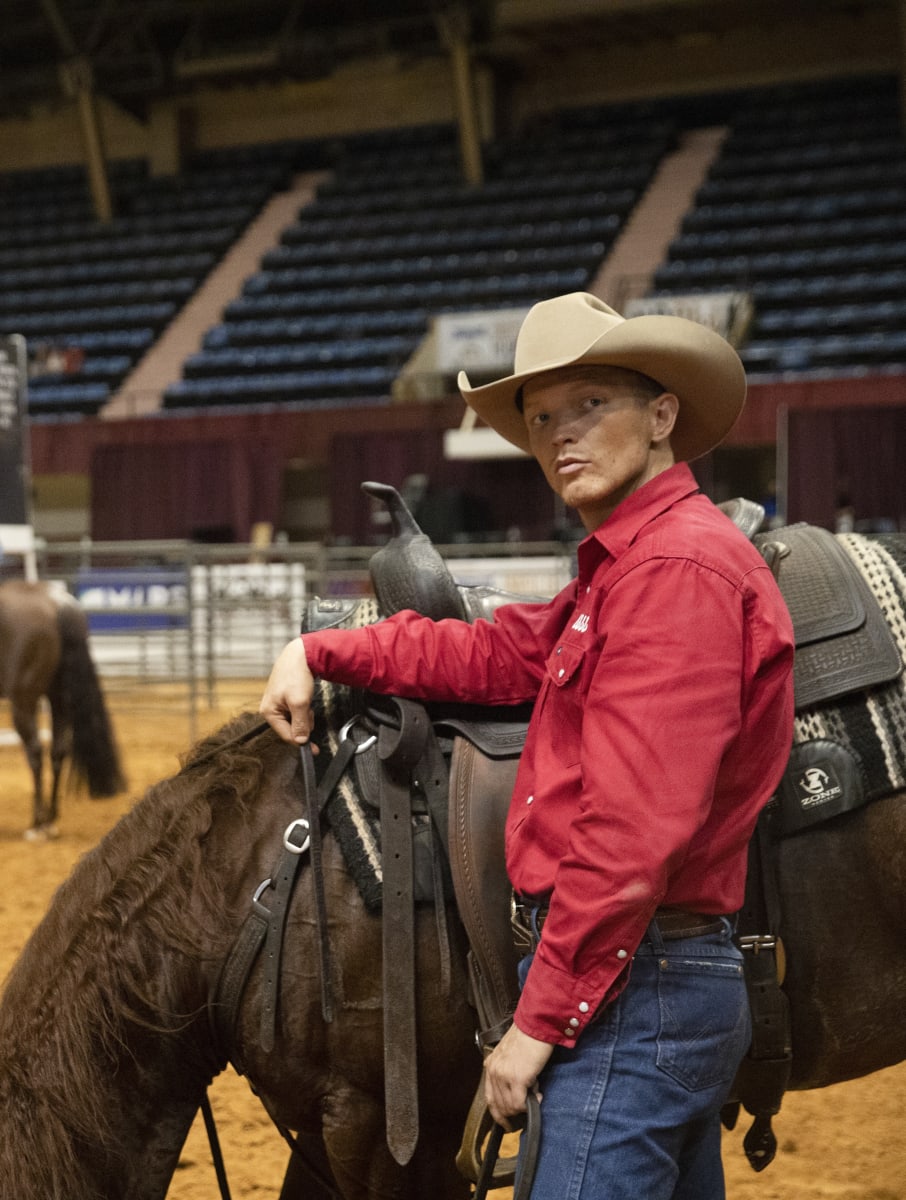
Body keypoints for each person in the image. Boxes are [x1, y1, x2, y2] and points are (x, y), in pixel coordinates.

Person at [259, 292, 795, 1199]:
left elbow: (630, 835)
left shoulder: (671, 572)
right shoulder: (632, 566)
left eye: (589, 406)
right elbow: (493, 651)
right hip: (650, 985)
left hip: (629, 994)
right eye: (541, 418)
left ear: (663, 415)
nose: (558, 436)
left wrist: (541, 1022)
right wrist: (320, 648)